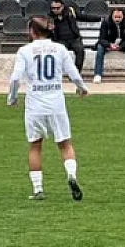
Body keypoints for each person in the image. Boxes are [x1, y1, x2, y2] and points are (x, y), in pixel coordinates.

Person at [8, 16, 88, 201]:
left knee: (35, 146)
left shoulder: (25, 51)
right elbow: (73, 72)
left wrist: (12, 98)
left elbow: (15, 78)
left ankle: (38, 189)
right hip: (56, 103)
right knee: (65, 144)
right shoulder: (60, 49)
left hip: (35, 104)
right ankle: (71, 175)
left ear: (32, 32)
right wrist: (82, 88)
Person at [92, 8, 125, 84]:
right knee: (100, 48)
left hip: (123, 44)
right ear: (111, 16)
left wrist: (121, 46)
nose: (117, 19)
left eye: (119, 17)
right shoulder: (106, 22)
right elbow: (101, 39)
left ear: (123, 16)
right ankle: (98, 74)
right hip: (109, 44)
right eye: (115, 17)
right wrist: (109, 45)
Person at [49, 0, 85, 67]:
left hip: (74, 39)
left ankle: (76, 73)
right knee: (57, 52)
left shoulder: (70, 13)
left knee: (80, 51)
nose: (55, 10)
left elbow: (83, 17)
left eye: (57, 8)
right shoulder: (50, 17)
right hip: (60, 40)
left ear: (62, 7)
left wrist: (98, 18)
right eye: (53, 8)